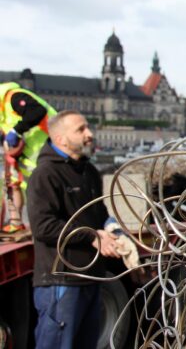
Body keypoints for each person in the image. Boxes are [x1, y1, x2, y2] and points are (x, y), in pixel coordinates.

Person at [26, 110, 121, 349]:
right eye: (80, 129)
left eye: (88, 127)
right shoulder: (45, 174)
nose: (90, 134)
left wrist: (118, 235)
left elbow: (99, 214)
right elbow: (43, 227)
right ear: (60, 139)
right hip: (62, 280)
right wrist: (91, 236)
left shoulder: (88, 171)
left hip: (91, 277)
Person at [0, 82, 57, 233]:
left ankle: (52, 224)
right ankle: (16, 222)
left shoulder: (13, 97)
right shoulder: (2, 111)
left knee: (46, 189)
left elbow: (38, 111)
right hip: (28, 155)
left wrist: (16, 131)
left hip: (50, 147)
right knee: (14, 184)